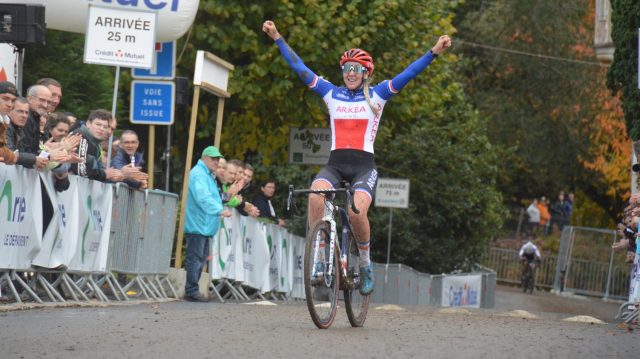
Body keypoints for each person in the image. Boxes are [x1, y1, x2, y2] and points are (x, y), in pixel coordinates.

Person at [263, 20, 451, 295]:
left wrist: (433, 52)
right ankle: (320, 254)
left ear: (366, 73)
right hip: (336, 165)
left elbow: (409, 73)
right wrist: (278, 37)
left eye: (357, 69)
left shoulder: (378, 94)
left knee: (356, 211)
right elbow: (300, 69)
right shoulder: (331, 92)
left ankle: (364, 262)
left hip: (364, 167)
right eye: (347, 68)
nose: (351, 73)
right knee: (316, 195)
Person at [183, 146, 231, 302]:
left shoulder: (206, 174)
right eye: (213, 159)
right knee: (195, 259)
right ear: (204, 158)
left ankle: (192, 290)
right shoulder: (199, 174)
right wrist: (219, 210)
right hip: (198, 224)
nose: (216, 162)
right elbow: (203, 197)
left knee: (200, 259)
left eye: (218, 159)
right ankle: (191, 291)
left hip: (203, 225)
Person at [0, 81, 18, 165]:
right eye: (5, 99)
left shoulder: (4, 121)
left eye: (13, 100)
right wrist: (11, 157)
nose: (10, 104)